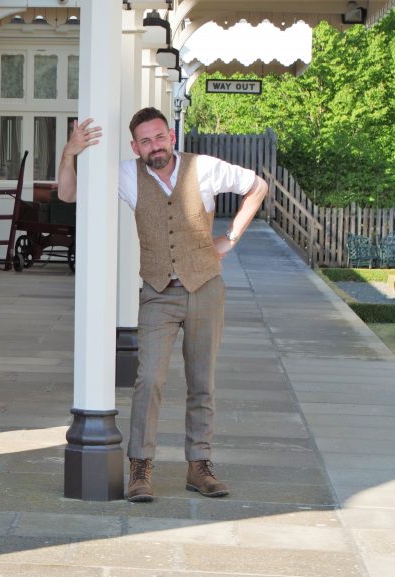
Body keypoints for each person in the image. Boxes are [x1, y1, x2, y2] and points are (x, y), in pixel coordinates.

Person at [57, 108, 268, 502]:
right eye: (146, 141)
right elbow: (69, 194)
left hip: (205, 286)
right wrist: (70, 153)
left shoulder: (203, 168)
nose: (155, 146)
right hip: (158, 291)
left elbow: (257, 186)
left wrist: (232, 236)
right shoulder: (125, 175)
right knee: (149, 379)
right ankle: (141, 467)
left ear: (171, 136)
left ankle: (199, 466)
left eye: (159, 137)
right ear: (135, 146)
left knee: (202, 381)